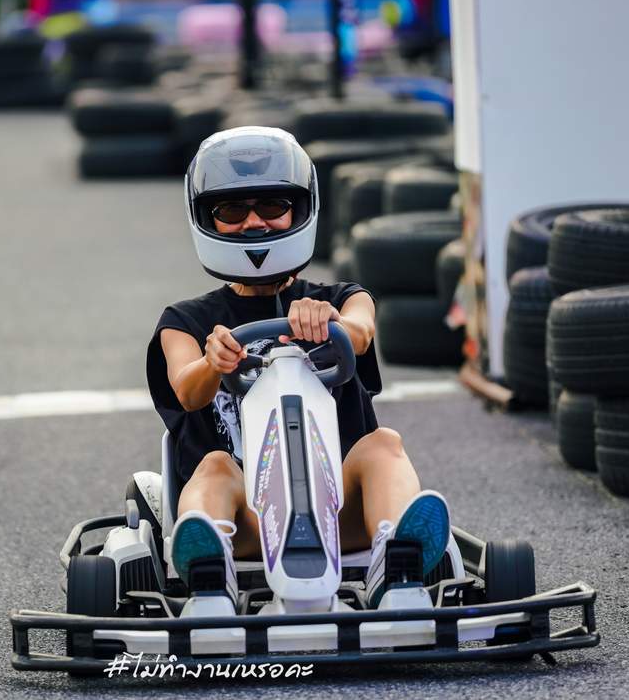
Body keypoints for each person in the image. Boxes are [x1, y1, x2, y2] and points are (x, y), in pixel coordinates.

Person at [145, 125, 452, 612]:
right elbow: (186, 390)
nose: (253, 224)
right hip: (245, 516)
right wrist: (212, 361)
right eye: (231, 211)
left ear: (300, 210)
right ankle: (209, 571)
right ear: (206, 218)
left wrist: (332, 322)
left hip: (340, 510)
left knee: (384, 444)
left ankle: (399, 564)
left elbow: (361, 330)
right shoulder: (186, 321)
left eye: (271, 207)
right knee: (214, 466)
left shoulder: (341, 298)